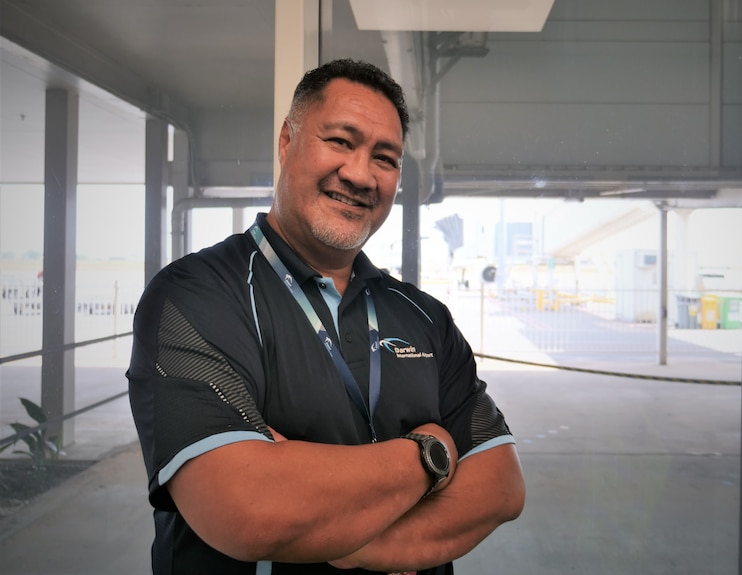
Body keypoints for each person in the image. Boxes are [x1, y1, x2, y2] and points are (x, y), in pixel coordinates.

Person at [127, 58, 525, 575]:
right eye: (340, 141)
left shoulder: (423, 316)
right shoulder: (196, 296)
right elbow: (247, 507)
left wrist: (356, 548)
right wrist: (432, 452)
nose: (361, 174)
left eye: (385, 158)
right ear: (287, 141)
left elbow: (499, 485)